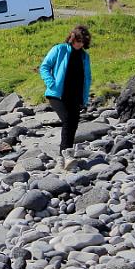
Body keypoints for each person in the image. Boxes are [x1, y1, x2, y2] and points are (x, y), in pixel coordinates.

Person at [40, 25, 92, 171]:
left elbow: (87, 78)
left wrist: (84, 98)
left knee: (73, 124)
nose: (80, 44)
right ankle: (68, 155)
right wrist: (51, 83)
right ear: (72, 38)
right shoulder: (59, 49)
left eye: (83, 42)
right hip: (57, 94)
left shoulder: (84, 56)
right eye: (78, 41)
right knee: (68, 120)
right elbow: (44, 67)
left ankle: (61, 159)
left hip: (75, 96)